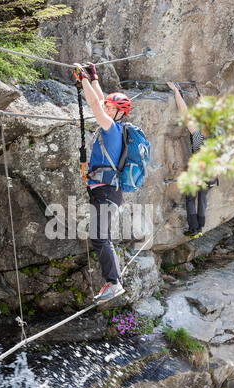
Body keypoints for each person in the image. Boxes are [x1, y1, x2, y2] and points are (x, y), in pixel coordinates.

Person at [73, 62, 131, 303]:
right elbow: (101, 100)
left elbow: (96, 105)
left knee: (99, 237)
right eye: (107, 106)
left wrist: (82, 78)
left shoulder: (112, 129)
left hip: (106, 192)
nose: (106, 107)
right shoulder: (112, 125)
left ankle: (114, 283)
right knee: (100, 236)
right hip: (105, 192)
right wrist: (93, 77)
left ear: (119, 113)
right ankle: (113, 281)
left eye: (111, 107)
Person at [167, 81, 213, 239]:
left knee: (190, 198)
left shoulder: (198, 135)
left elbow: (184, 112)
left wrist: (176, 92)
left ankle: (193, 228)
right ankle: (200, 228)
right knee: (202, 199)